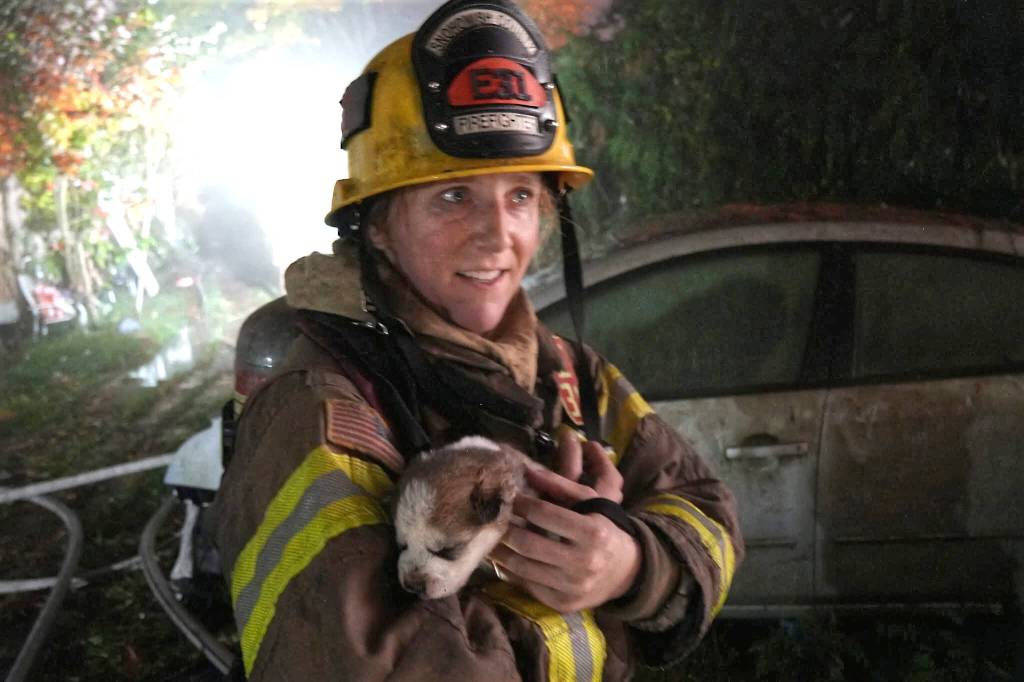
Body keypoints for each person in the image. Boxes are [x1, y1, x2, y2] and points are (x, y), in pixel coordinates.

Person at [214, 1, 743, 680]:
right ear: (375, 226)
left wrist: (632, 564)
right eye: (453, 197)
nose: (498, 236)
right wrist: (561, 596)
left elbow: (706, 509)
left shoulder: (571, 374)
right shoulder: (322, 412)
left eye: (520, 196)